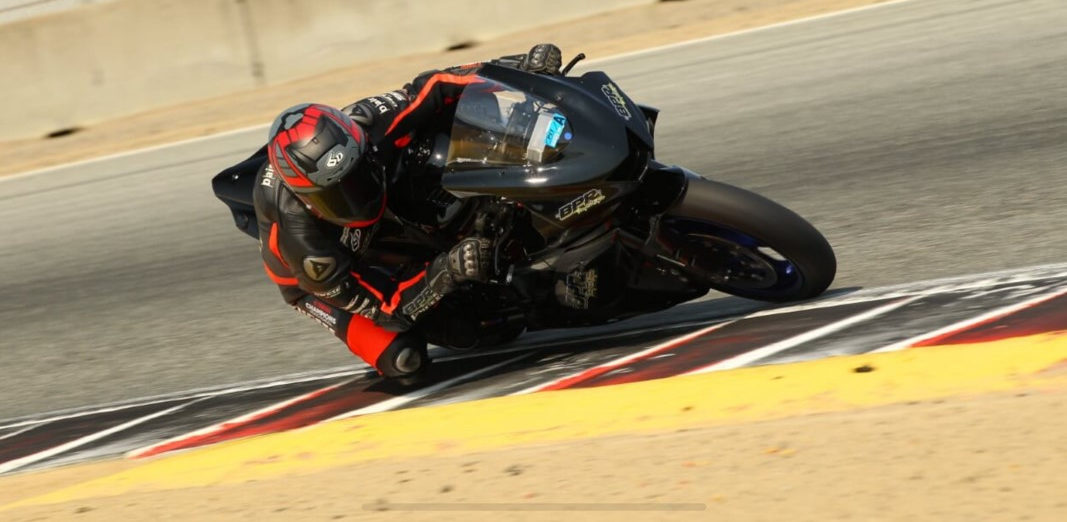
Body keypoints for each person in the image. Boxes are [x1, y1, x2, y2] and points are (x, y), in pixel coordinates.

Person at [254, 44, 563, 384]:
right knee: (405, 359)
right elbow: (388, 307)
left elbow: (434, 86)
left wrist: (518, 66)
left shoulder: (368, 123)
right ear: (309, 201)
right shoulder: (309, 249)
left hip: (382, 208)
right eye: (338, 196)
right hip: (325, 285)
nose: (357, 197)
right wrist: (446, 271)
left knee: (434, 137)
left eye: (358, 176)